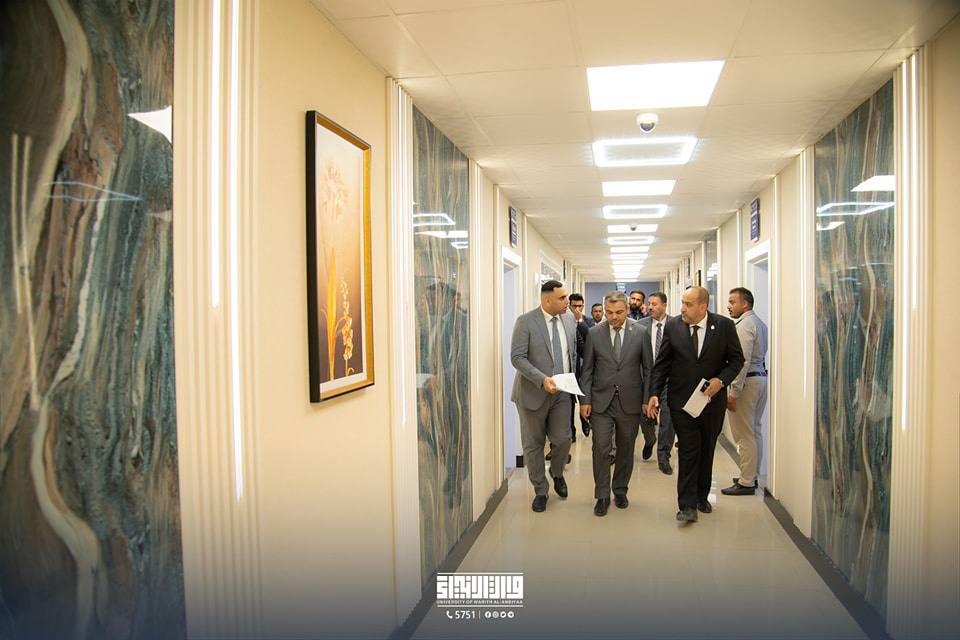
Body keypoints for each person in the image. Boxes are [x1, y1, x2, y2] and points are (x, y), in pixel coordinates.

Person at [646, 286, 744, 523]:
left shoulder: (723, 326)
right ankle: (687, 506)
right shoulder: (673, 326)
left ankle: (701, 496)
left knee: (707, 449)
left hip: (711, 402)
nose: (682, 309)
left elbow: (736, 360)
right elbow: (662, 364)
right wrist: (654, 393)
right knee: (689, 450)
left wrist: (721, 380)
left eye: (688, 305)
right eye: (682, 303)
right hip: (681, 402)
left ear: (703, 307)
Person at [579, 291, 653, 516]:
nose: (613, 317)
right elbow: (587, 370)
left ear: (627, 309)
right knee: (600, 448)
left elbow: (648, 369)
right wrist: (585, 400)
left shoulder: (640, 332)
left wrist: (646, 399)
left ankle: (620, 489)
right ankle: (602, 495)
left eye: (619, 312)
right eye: (609, 312)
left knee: (626, 448)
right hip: (601, 401)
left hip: (630, 401)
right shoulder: (594, 333)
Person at [511, 280, 577, 512]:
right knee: (533, 445)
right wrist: (542, 379)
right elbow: (517, 357)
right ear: (547, 301)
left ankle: (557, 473)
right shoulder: (526, 321)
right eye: (562, 298)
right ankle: (540, 490)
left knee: (563, 439)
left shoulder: (569, 319)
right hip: (533, 393)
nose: (567, 302)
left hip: (562, 393)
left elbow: (571, 353)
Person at [722, 287, 769, 496]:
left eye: (733, 302)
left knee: (744, 435)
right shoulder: (759, 323)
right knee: (754, 430)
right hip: (759, 378)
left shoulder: (744, 326)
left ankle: (747, 481)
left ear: (745, 304)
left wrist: (734, 392)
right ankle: (752, 475)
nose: (728, 306)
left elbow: (741, 362)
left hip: (747, 382)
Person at [639, 292, 675, 475]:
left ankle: (664, 457)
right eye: (649, 304)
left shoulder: (676, 325)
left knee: (667, 420)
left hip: (669, 380)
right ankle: (649, 440)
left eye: (654, 304)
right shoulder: (640, 326)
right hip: (647, 379)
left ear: (664, 306)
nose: (650, 307)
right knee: (645, 417)